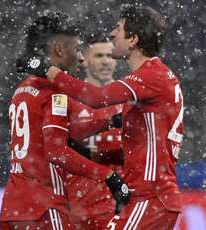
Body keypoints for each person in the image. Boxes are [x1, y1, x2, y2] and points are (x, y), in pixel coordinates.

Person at [21, 4, 184, 229]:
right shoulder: (148, 82)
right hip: (140, 198)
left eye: (118, 28)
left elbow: (97, 98)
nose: (112, 33)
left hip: (150, 196)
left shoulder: (151, 76)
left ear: (133, 40)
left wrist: (51, 71)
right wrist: (89, 152)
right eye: (98, 55)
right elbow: (137, 146)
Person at [0, 11, 130, 229]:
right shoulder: (55, 93)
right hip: (44, 206)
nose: (81, 58)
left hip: (13, 208)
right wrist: (107, 175)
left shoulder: (23, 89)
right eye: (77, 49)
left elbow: (65, 132)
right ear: (60, 50)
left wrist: (110, 121)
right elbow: (57, 151)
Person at [65, 33, 125, 229]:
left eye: (110, 56)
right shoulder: (68, 100)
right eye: (99, 56)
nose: (106, 61)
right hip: (75, 204)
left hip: (116, 204)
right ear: (84, 60)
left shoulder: (127, 102)